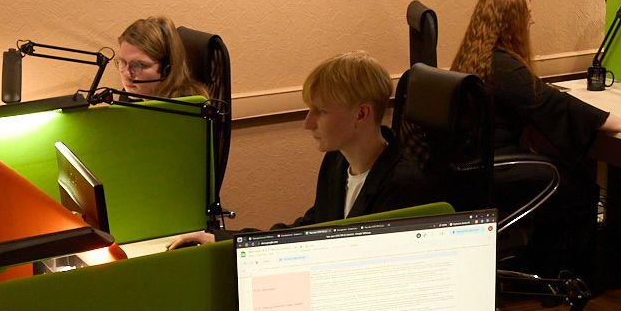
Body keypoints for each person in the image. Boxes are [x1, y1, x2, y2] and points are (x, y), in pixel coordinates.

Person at [170, 52, 428, 248]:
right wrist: (222, 240)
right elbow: (310, 229)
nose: (308, 123)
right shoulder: (337, 162)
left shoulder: (402, 185)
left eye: (321, 111)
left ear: (361, 114)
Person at [451, 0, 621, 144]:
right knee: (576, 181)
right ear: (511, 23)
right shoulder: (505, 68)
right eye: (527, 15)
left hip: (476, 160)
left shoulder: (474, 55)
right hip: (499, 162)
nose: (532, 21)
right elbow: (556, 105)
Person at [113, 15, 201, 99]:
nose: (126, 74)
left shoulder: (188, 106)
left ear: (166, 69)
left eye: (138, 65)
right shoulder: (128, 100)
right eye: (123, 62)